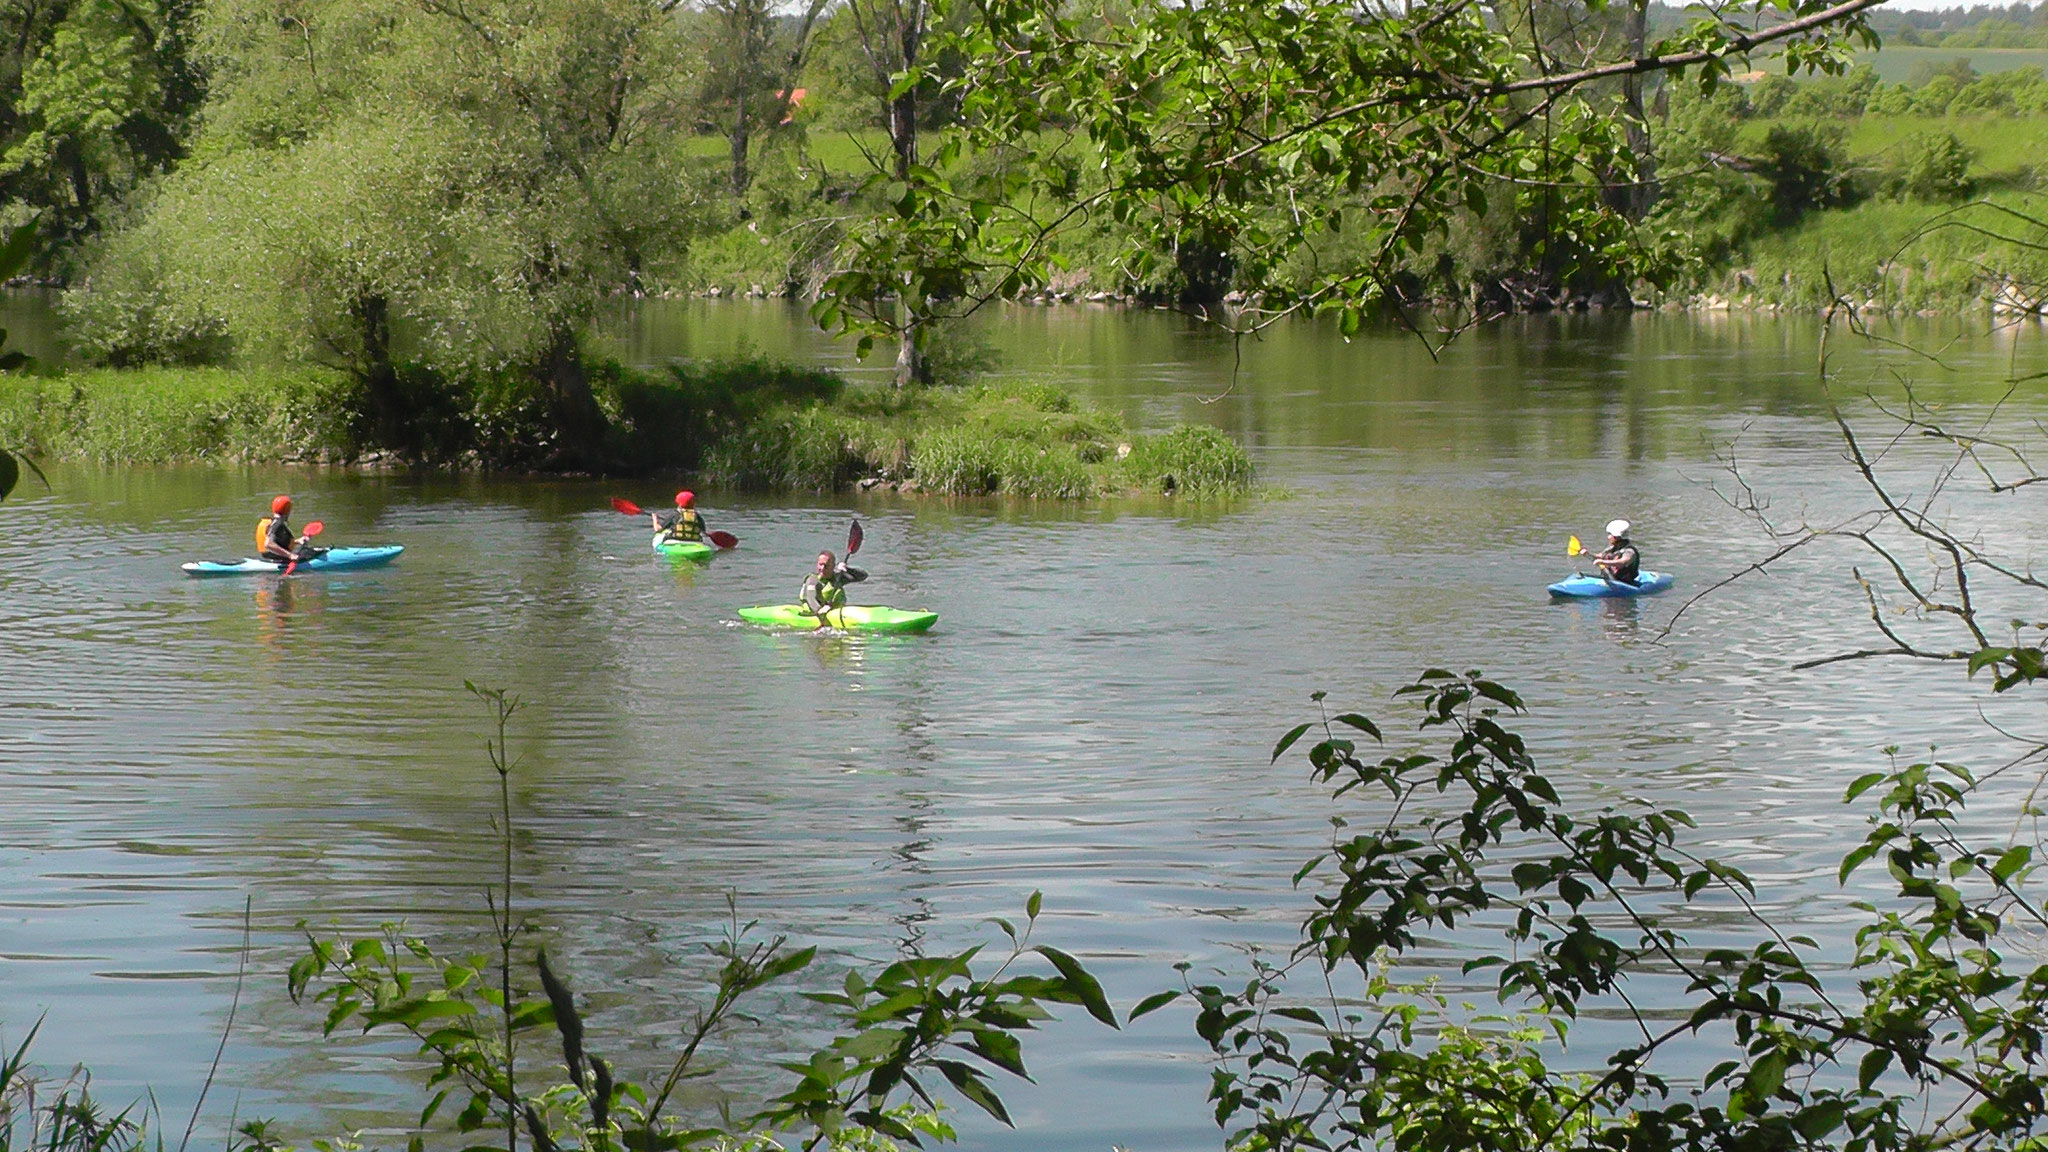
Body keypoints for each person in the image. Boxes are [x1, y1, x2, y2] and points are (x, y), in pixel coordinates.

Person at [800, 550, 867, 623]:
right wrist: (819, 609)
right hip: (812, 614)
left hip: (834, 614)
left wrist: (847, 569)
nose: (822, 568)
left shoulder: (839, 578)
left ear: (833, 566)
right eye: (820, 564)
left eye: (826, 565)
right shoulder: (812, 580)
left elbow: (863, 576)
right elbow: (811, 597)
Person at [256, 495, 319, 565]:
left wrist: (297, 541)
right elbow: (268, 544)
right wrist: (290, 555)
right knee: (310, 552)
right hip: (278, 559)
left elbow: (277, 541)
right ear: (287, 510)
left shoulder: (273, 522)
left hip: (268, 557)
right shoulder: (278, 524)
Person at [1591, 518, 1641, 585]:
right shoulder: (1612, 548)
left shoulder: (1630, 551)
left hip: (1626, 583)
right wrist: (1586, 553)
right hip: (1610, 580)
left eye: (1610, 534)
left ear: (1617, 537)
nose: (1608, 537)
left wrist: (1603, 562)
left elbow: (1622, 562)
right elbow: (1601, 556)